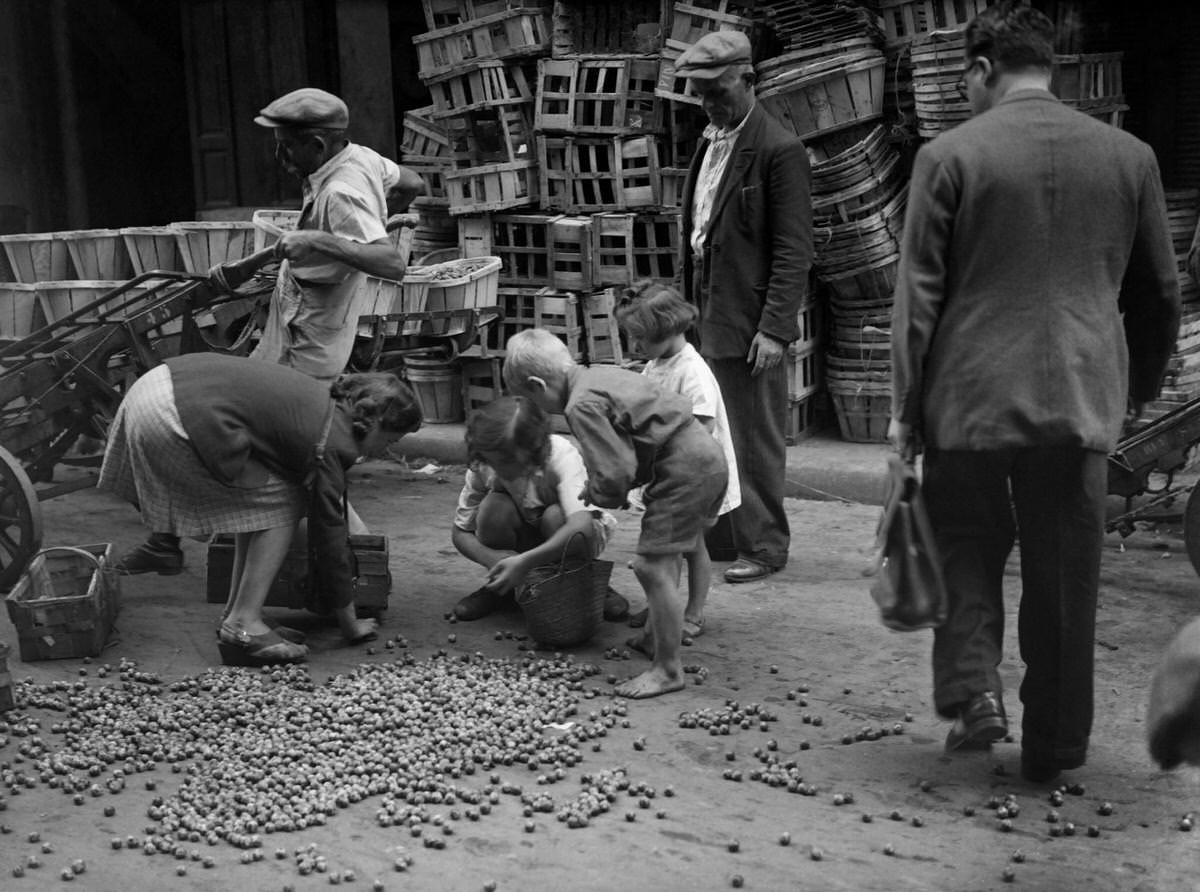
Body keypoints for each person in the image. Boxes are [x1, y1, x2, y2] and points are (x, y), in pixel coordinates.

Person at [888, 3, 1180, 783]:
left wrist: (906, 413)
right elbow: (1157, 292)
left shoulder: (949, 156)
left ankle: (977, 689)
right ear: (1047, 67)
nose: (966, 95)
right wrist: (1132, 393)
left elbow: (918, 298)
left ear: (984, 70)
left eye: (965, 81)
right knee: (1064, 578)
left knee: (966, 545)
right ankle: (1054, 750)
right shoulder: (1129, 156)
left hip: (969, 400)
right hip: (1080, 402)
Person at [117, 87, 422, 576]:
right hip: (294, 323)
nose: (279, 156)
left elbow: (390, 263)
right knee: (266, 438)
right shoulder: (360, 158)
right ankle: (172, 537)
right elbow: (413, 179)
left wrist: (328, 239)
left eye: (287, 146)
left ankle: (347, 566)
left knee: (289, 456)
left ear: (318, 145)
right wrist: (387, 214)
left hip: (309, 344)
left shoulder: (343, 191)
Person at [99, 352, 422, 666]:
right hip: (172, 413)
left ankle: (236, 613)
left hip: (154, 385)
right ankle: (244, 623)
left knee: (257, 500)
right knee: (284, 503)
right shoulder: (334, 442)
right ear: (376, 422)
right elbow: (329, 536)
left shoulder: (328, 404)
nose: (385, 451)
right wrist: (350, 623)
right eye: (391, 441)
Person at [504, 329, 727, 699]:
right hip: (702, 456)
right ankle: (656, 637)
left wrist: (597, 492)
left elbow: (617, 469)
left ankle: (668, 670)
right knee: (665, 557)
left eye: (533, 400)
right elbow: (635, 437)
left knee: (649, 566)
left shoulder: (579, 405)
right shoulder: (599, 375)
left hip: (684, 468)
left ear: (537, 384)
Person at [675, 29, 813, 584]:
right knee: (714, 431)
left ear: (749, 79)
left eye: (718, 91)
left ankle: (766, 545)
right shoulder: (711, 141)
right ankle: (728, 537)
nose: (709, 103)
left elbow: (794, 248)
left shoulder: (779, 149)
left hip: (751, 317)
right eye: (701, 93)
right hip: (708, 308)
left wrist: (776, 329)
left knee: (756, 437)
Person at [616, 281, 740, 641]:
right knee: (663, 549)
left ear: (667, 329)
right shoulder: (656, 364)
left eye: (640, 338)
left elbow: (701, 430)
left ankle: (693, 612)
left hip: (696, 479)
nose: (635, 346)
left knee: (690, 546)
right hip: (667, 476)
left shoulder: (692, 371)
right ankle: (662, 606)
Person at [450, 396, 625, 623]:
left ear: (531, 453)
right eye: (491, 461)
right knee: (493, 508)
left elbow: (581, 526)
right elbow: (460, 533)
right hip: (523, 545)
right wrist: (494, 559)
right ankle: (505, 588)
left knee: (555, 516)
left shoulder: (560, 455)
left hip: (570, 540)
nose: (495, 468)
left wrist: (525, 563)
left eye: (505, 463)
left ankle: (583, 579)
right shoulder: (485, 463)